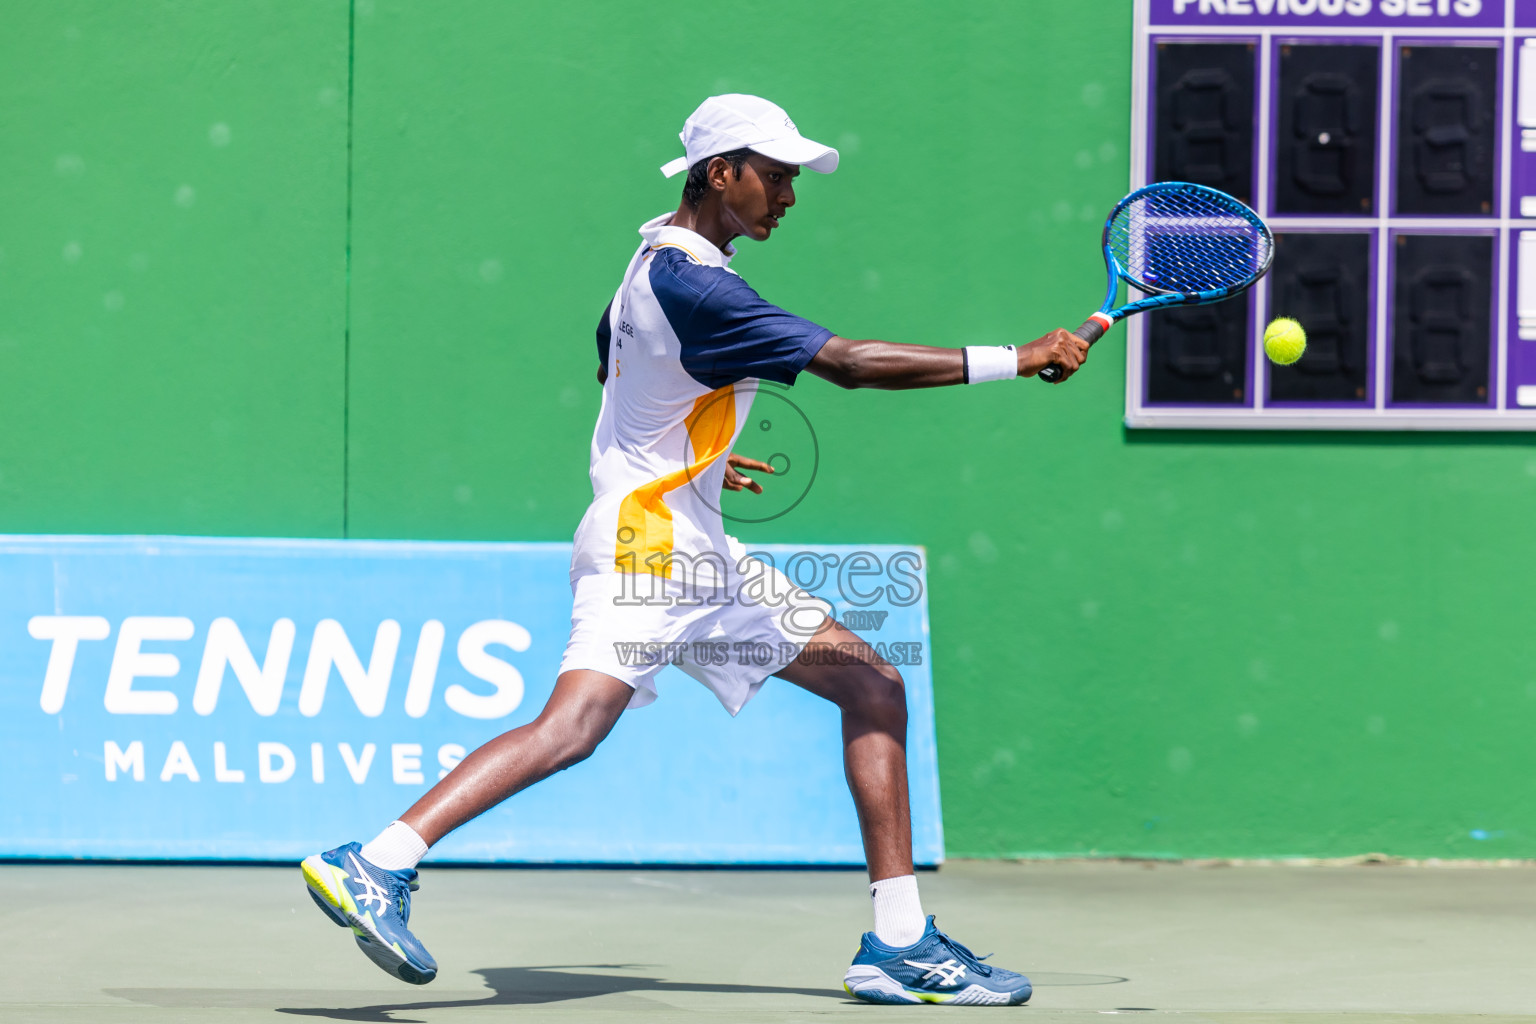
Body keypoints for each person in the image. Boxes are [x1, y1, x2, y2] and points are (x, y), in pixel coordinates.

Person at [301, 93, 1090, 1007]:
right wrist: (1021, 356)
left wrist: (700, 452)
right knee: (574, 727)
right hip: (653, 550)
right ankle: (377, 860)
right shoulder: (705, 286)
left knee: (871, 684)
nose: (789, 195)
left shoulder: (645, 268)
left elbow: (621, 373)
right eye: (777, 175)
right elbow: (852, 363)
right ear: (723, 174)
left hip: (687, 538)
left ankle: (899, 943)